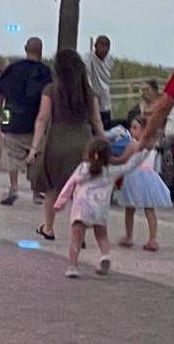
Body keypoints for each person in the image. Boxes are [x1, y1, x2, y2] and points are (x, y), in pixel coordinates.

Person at [26, 49, 106, 241]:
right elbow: (96, 121)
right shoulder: (89, 92)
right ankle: (80, 234)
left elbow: (42, 118)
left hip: (57, 141)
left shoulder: (51, 90)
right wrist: (104, 144)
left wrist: (34, 148)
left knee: (52, 187)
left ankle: (49, 227)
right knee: (80, 189)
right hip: (83, 142)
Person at [54, 138, 151, 278]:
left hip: (81, 208)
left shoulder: (83, 168)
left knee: (76, 238)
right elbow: (130, 165)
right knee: (101, 236)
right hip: (100, 209)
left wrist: (60, 203)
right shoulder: (111, 170)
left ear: (89, 152)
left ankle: (73, 266)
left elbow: (70, 185)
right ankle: (105, 255)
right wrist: (145, 151)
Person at [0, 37, 53, 206]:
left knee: (12, 154)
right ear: (41, 51)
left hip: (12, 115)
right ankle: (36, 192)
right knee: (36, 155)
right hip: (36, 119)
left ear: (25, 48)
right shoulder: (45, 72)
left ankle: (13, 187)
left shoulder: (12, 68)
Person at [117, 115, 172, 251]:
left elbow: (124, 159)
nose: (131, 130)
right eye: (131, 127)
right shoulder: (150, 144)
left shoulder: (134, 144)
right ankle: (143, 237)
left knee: (140, 208)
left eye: (135, 127)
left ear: (144, 130)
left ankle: (144, 238)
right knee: (136, 208)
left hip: (138, 176)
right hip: (145, 177)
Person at [86, 35, 114, 128]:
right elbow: (87, 77)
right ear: (95, 46)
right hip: (92, 99)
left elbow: (106, 77)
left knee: (106, 126)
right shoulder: (88, 59)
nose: (105, 49)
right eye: (102, 45)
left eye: (107, 46)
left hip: (105, 98)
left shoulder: (109, 60)